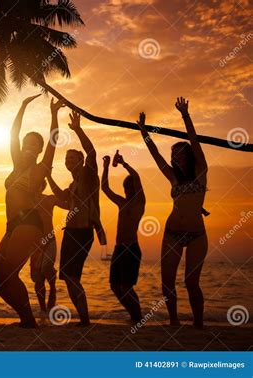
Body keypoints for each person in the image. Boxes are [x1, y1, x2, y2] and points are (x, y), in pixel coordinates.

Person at [0, 95, 64, 328]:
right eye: (27, 144)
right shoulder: (15, 166)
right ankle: (27, 319)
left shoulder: (39, 171)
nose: (29, 148)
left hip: (28, 224)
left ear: (39, 150)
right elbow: (13, 134)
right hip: (11, 226)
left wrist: (54, 115)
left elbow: (53, 142)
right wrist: (22, 106)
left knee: (9, 276)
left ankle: (28, 321)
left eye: (35, 145)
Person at [136, 97, 209, 329]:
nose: (175, 158)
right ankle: (174, 321)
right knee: (167, 282)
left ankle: (198, 323)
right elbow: (155, 154)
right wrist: (143, 132)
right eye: (173, 155)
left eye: (180, 154)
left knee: (191, 282)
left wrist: (185, 115)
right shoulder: (173, 177)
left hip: (197, 235)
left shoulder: (200, 171)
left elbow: (195, 142)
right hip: (172, 233)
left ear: (188, 156)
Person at [47, 110, 106, 326]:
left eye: (73, 158)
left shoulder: (88, 176)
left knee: (71, 277)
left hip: (82, 232)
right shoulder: (73, 185)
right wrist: (47, 177)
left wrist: (78, 129)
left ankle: (85, 320)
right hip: (71, 233)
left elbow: (92, 152)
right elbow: (62, 200)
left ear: (80, 161)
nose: (69, 160)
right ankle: (84, 320)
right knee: (69, 278)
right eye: (67, 158)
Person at [101, 153, 145, 323]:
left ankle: (138, 317)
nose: (129, 191)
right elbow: (104, 188)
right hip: (119, 249)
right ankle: (134, 315)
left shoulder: (139, 201)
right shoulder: (121, 202)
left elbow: (136, 177)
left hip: (131, 248)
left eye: (131, 188)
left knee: (126, 287)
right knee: (115, 286)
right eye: (126, 188)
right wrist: (105, 168)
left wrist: (124, 163)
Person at [30, 179, 61, 313]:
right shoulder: (28, 201)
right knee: (37, 278)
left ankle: (53, 287)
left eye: (39, 185)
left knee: (46, 267)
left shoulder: (49, 199)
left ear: (43, 186)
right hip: (34, 244)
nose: (36, 187)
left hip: (49, 240)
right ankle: (43, 309)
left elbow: (67, 204)